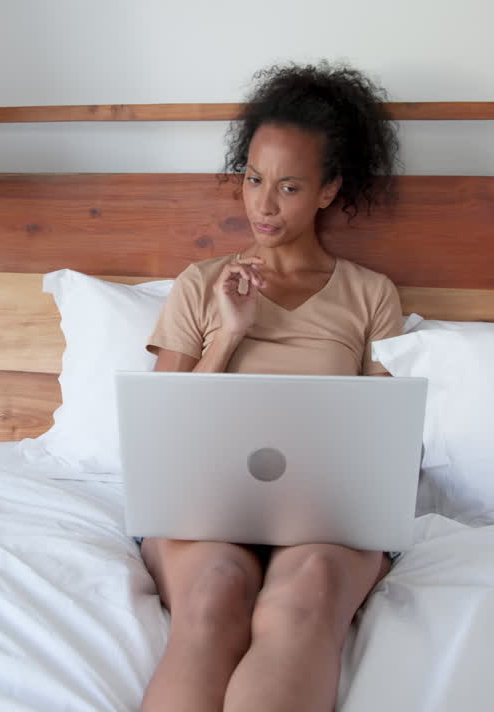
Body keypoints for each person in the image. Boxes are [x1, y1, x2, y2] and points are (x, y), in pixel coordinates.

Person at [139, 61, 402, 712]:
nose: (262, 203)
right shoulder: (201, 285)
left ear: (328, 190)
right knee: (214, 595)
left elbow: (383, 441)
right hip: (201, 507)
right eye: (254, 180)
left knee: (309, 592)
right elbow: (160, 432)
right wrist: (228, 334)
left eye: (287, 186)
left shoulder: (372, 296)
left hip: (327, 519)